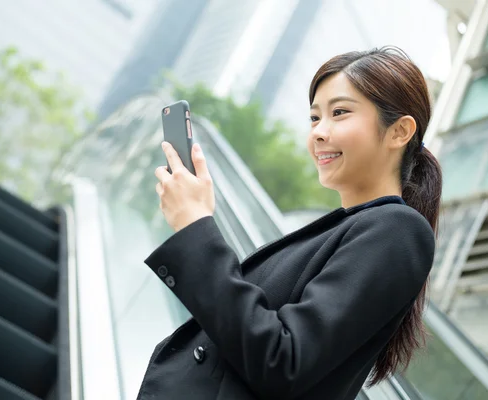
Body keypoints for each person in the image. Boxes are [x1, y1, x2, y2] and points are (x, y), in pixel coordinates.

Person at [140, 46, 442, 400]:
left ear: (399, 131)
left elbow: (282, 361)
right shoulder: (347, 229)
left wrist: (195, 227)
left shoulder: (398, 231)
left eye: (339, 112)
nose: (318, 132)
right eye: (314, 118)